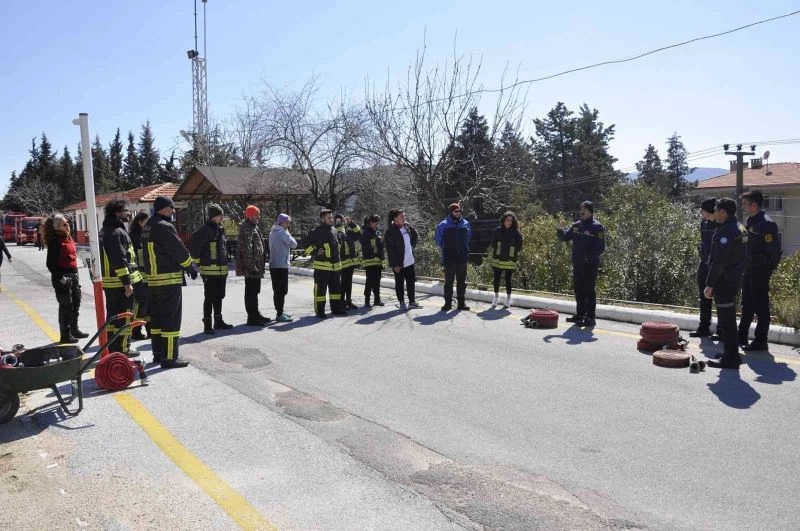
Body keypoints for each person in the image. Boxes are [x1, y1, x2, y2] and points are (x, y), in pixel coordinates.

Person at [140, 196, 196, 368]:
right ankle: (170, 357)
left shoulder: (147, 226)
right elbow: (177, 249)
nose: (173, 212)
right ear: (164, 208)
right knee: (171, 320)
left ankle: (158, 354)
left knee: (156, 321)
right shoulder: (164, 227)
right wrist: (190, 266)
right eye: (172, 208)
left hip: (153, 282)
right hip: (168, 280)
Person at [704, 198, 748, 369]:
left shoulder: (726, 231)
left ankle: (730, 358)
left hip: (725, 280)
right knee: (728, 318)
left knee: (726, 320)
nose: (714, 213)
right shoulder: (739, 227)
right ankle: (732, 354)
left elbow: (719, 261)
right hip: (734, 278)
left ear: (722, 212)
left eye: (716, 210)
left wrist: (710, 283)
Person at [737, 190, 782, 352]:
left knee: (761, 306)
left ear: (754, 205)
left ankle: (761, 340)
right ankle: (741, 335)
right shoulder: (752, 221)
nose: (743, 206)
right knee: (747, 304)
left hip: (760, 270)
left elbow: (774, 252)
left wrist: (767, 269)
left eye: (745, 203)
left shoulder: (766, 223)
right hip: (749, 269)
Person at [100, 198, 143, 355]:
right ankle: (123, 350)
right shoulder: (117, 232)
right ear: (117, 213)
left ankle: (113, 348)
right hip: (120, 284)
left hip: (110, 283)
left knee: (113, 318)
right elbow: (120, 259)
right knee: (125, 317)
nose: (128, 213)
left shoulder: (105, 230)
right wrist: (127, 283)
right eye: (125, 210)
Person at [557, 200, 606, 327]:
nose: (581, 211)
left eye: (584, 209)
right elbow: (565, 238)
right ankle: (580, 315)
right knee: (578, 290)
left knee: (589, 290)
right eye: (580, 209)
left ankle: (590, 317)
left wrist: (587, 257)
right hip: (577, 263)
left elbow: (601, 248)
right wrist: (560, 229)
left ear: (590, 211)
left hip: (590, 265)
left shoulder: (597, 227)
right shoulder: (577, 225)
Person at [41, 213, 88, 344]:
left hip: (74, 275)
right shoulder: (55, 241)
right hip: (62, 277)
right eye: (64, 224)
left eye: (67, 222)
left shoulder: (68, 238)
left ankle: (74, 329)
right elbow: (50, 264)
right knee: (66, 306)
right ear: (57, 227)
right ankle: (65, 334)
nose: (68, 225)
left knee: (76, 303)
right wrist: (62, 279)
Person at [191, 203, 233, 335]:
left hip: (221, 271)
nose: (222, 217)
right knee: (209, 298)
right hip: (209, 271)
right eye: (220, 215)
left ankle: (218, 321)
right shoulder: (204, 231)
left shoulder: (218, 229)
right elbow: (195, 249)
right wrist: (196, 265)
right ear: (213, 216)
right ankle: (207, 324)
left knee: (219, 297)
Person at [302, 209, 346, 318]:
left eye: (332, 217)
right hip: (322, 267)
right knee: (320, 291)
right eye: (328, 218)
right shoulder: (316, 232)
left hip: (335, 268)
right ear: (322, 219)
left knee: (336, 290)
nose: (331, 220)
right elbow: (305, 245)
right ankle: (320, 311)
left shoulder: (334, 230)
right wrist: (315, 251)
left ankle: (336, 309)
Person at [235, 205, 270, 326]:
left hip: (256, 266)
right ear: (250, 216)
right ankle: (252, 317)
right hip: (251, 267)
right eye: (256, 215)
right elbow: (246, 250)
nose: (258, 218)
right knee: (251, 292)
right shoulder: (246, 228)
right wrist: (252, 266)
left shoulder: (254, 227)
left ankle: (256, 313)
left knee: (255, 291)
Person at [690, 198, 719, 338]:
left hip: (718, 264)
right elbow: (703, 241)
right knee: (703, 296)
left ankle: (722, 330)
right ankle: (704, 326)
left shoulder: (721, 223)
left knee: (720, 298)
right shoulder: (704, 222)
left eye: (703, 210)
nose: (701, 213)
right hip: (705, 263)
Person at [435, 203, 471, 311]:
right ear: (451, 212)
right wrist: (448, 247)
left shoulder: (466, 223)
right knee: (448, 282)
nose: (458, 213)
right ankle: (448, 304)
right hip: (449, 257)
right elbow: (438, 240)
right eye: (456, 211)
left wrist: (461, 247)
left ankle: (461, 303)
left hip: (462, 257)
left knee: (461, 281)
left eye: (460, 211)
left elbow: (468, 238)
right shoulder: (443, 225)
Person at [385, 209, 420, 311]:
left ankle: (412, 301)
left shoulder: (406, 227)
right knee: (399, 283)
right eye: (401, 216)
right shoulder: (390, 232)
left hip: (410, 261)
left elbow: (415, 237)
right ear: (395, 218)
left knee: (411, 282)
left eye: (404, 216)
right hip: (399, 263)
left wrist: (410, 228)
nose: (404, 218)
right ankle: (401, 302)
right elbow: (390, 250)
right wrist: (395, 264)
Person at [488, 212, 523, 308]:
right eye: (508, 220)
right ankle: (496, 297)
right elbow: (493, 244)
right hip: (498, 259)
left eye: (511, 221)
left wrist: (512, 251)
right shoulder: (497, 231)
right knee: (496, 279)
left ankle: (508, 299)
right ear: (503, 220)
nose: (509, 222)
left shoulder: (516, 233)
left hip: (510, 259)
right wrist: (499, 250)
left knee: (508, 279)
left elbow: (519, 246)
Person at [268, 213, 297, 322]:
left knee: (277, 290)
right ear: (282, 222)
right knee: (282, 290)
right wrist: (288, 233)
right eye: (287, 222)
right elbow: (294, 244)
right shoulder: (282, 233)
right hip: (281, 265)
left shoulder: (272, 232)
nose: (289, 224)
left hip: (274, 264)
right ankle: (279, 314)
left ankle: (280, 311)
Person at [129, 212, 151, 341]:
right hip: (139, 277)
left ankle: (149, 330)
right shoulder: (134, 237)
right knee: (140, 305)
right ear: (140, 222)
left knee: (149, 306)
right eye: (146, 221)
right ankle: (136, 331)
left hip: (148, 276)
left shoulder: (146, 235)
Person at [335, 213, 362, 309]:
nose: (345, 221)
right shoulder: (337, 231)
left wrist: (352, 223)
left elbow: (359, 234)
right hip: (342, 263)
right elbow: (340, 238)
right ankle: (342, 302)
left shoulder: (349, 232)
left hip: (350, 262)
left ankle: (348, 301)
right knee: (343, 283)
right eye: (343, 220)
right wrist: (340, 226)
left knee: (349, 282)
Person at [360, 215, 385, 307]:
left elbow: (381, 246)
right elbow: (364, 244)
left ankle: (377, 300)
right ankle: (367, 301)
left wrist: (382, 243)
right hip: (369, 261)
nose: (376, 224)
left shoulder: (378, 232)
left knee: (377, 281)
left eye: (377, 223)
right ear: (370, 223)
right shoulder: (365, 232)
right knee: (369, 281)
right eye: (375, 223)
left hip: (378, 261)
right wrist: (375, 242)